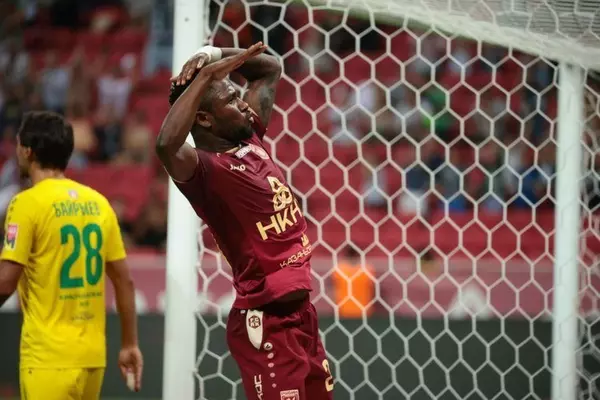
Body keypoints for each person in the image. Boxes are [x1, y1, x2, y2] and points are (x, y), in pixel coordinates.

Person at [157, 42, 334, 400]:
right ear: (203, 119)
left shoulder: (251, 137)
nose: (242, 105)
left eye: (239, 97)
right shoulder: (205, 170)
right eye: (231, 100)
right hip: (266, 321)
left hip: (302, 316)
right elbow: (166, 145)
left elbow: (269, 68)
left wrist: (213, 54)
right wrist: (205, 77)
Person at [0, 111, 143, 399]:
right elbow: (124, 282)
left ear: (27, 151)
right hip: (92, 360)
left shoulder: (26, 204)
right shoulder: (99, 204)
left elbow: (5, 283)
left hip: (47, 359)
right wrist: (129, 344)